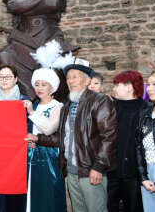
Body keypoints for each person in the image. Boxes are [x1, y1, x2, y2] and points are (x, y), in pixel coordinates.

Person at [27, 63, 117, 212]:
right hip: (71, 171)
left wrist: (98, 166)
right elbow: (62, 138)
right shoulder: (68, 105)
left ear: (87, 81)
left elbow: (108, 136)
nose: (71, 81)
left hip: (90, 170)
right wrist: (38, 139)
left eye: (75, 77)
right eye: (68, 78)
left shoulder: (100, 101)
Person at [0, 64, 31, 212]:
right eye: (1, 77)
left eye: (8, 77)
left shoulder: (25, 102)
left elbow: (30, 127)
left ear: (16, 79)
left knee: (14, 196)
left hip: (16, 159)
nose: (4, 80)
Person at [24, 68, 66, 212]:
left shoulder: (58, 106)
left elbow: (48, 129)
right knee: (30, 195)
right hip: (30, 155)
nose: (39, 88)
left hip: (49, 156)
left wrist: (31, 112)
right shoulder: (34, 104)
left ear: (52, 87)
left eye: (44, 84)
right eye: (37, 84)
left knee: (48, 196)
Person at [107, 70, 145, 212]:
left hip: (135, 175)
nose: (114, 89)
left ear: (129, 87)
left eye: (117, 85)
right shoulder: (110, 108)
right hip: (112, 173)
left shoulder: (146, 110)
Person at [136, 69, 155, 211]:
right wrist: (143, 178)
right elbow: (138, 148)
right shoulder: (144, 115)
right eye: (149, 84)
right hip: (148, 176)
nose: (150, 88)